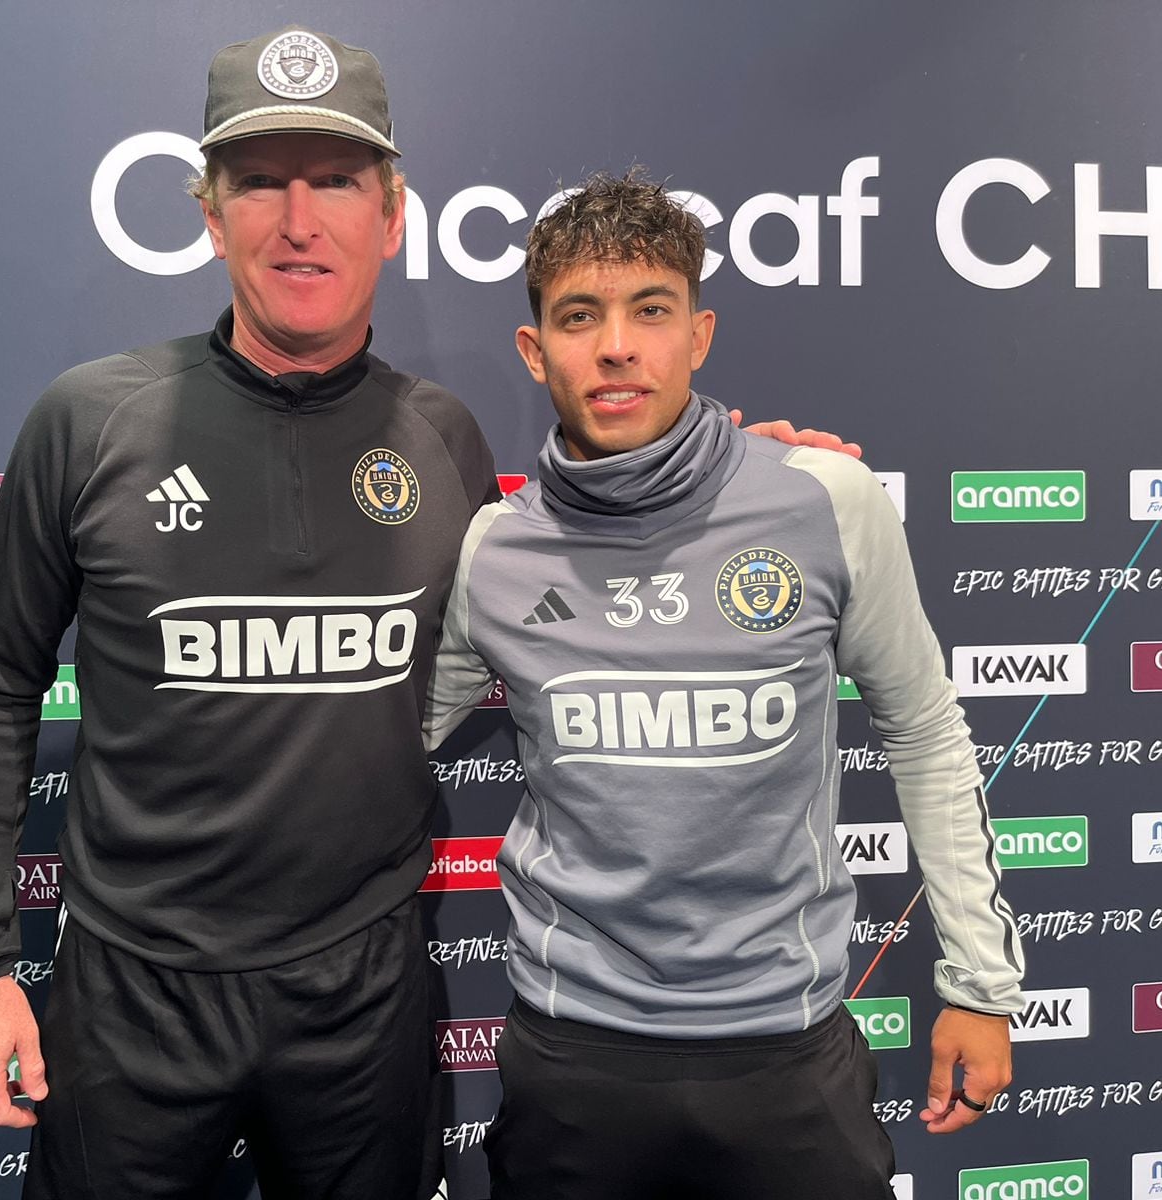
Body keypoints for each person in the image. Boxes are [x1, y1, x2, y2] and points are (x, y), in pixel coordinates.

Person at [0, 28, 857, 1200]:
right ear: (211, 215)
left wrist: (725, 483)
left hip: (364, 998)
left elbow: (575, 565)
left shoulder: (444, 436)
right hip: (133, 994)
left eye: (336, 182)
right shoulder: (89, 421)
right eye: (260, 182)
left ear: (393, 214)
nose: (297, 219)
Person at [422, 171, 1025, 1200]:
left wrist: (979, 982)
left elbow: (923, 729)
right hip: (573, 1064)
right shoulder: (496, 549)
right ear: (536, 351)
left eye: (649, 310)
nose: (617, 346)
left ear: (697, 335)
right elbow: (364, 746)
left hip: (784, 1061)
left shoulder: (823, 498)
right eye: (580, 315)